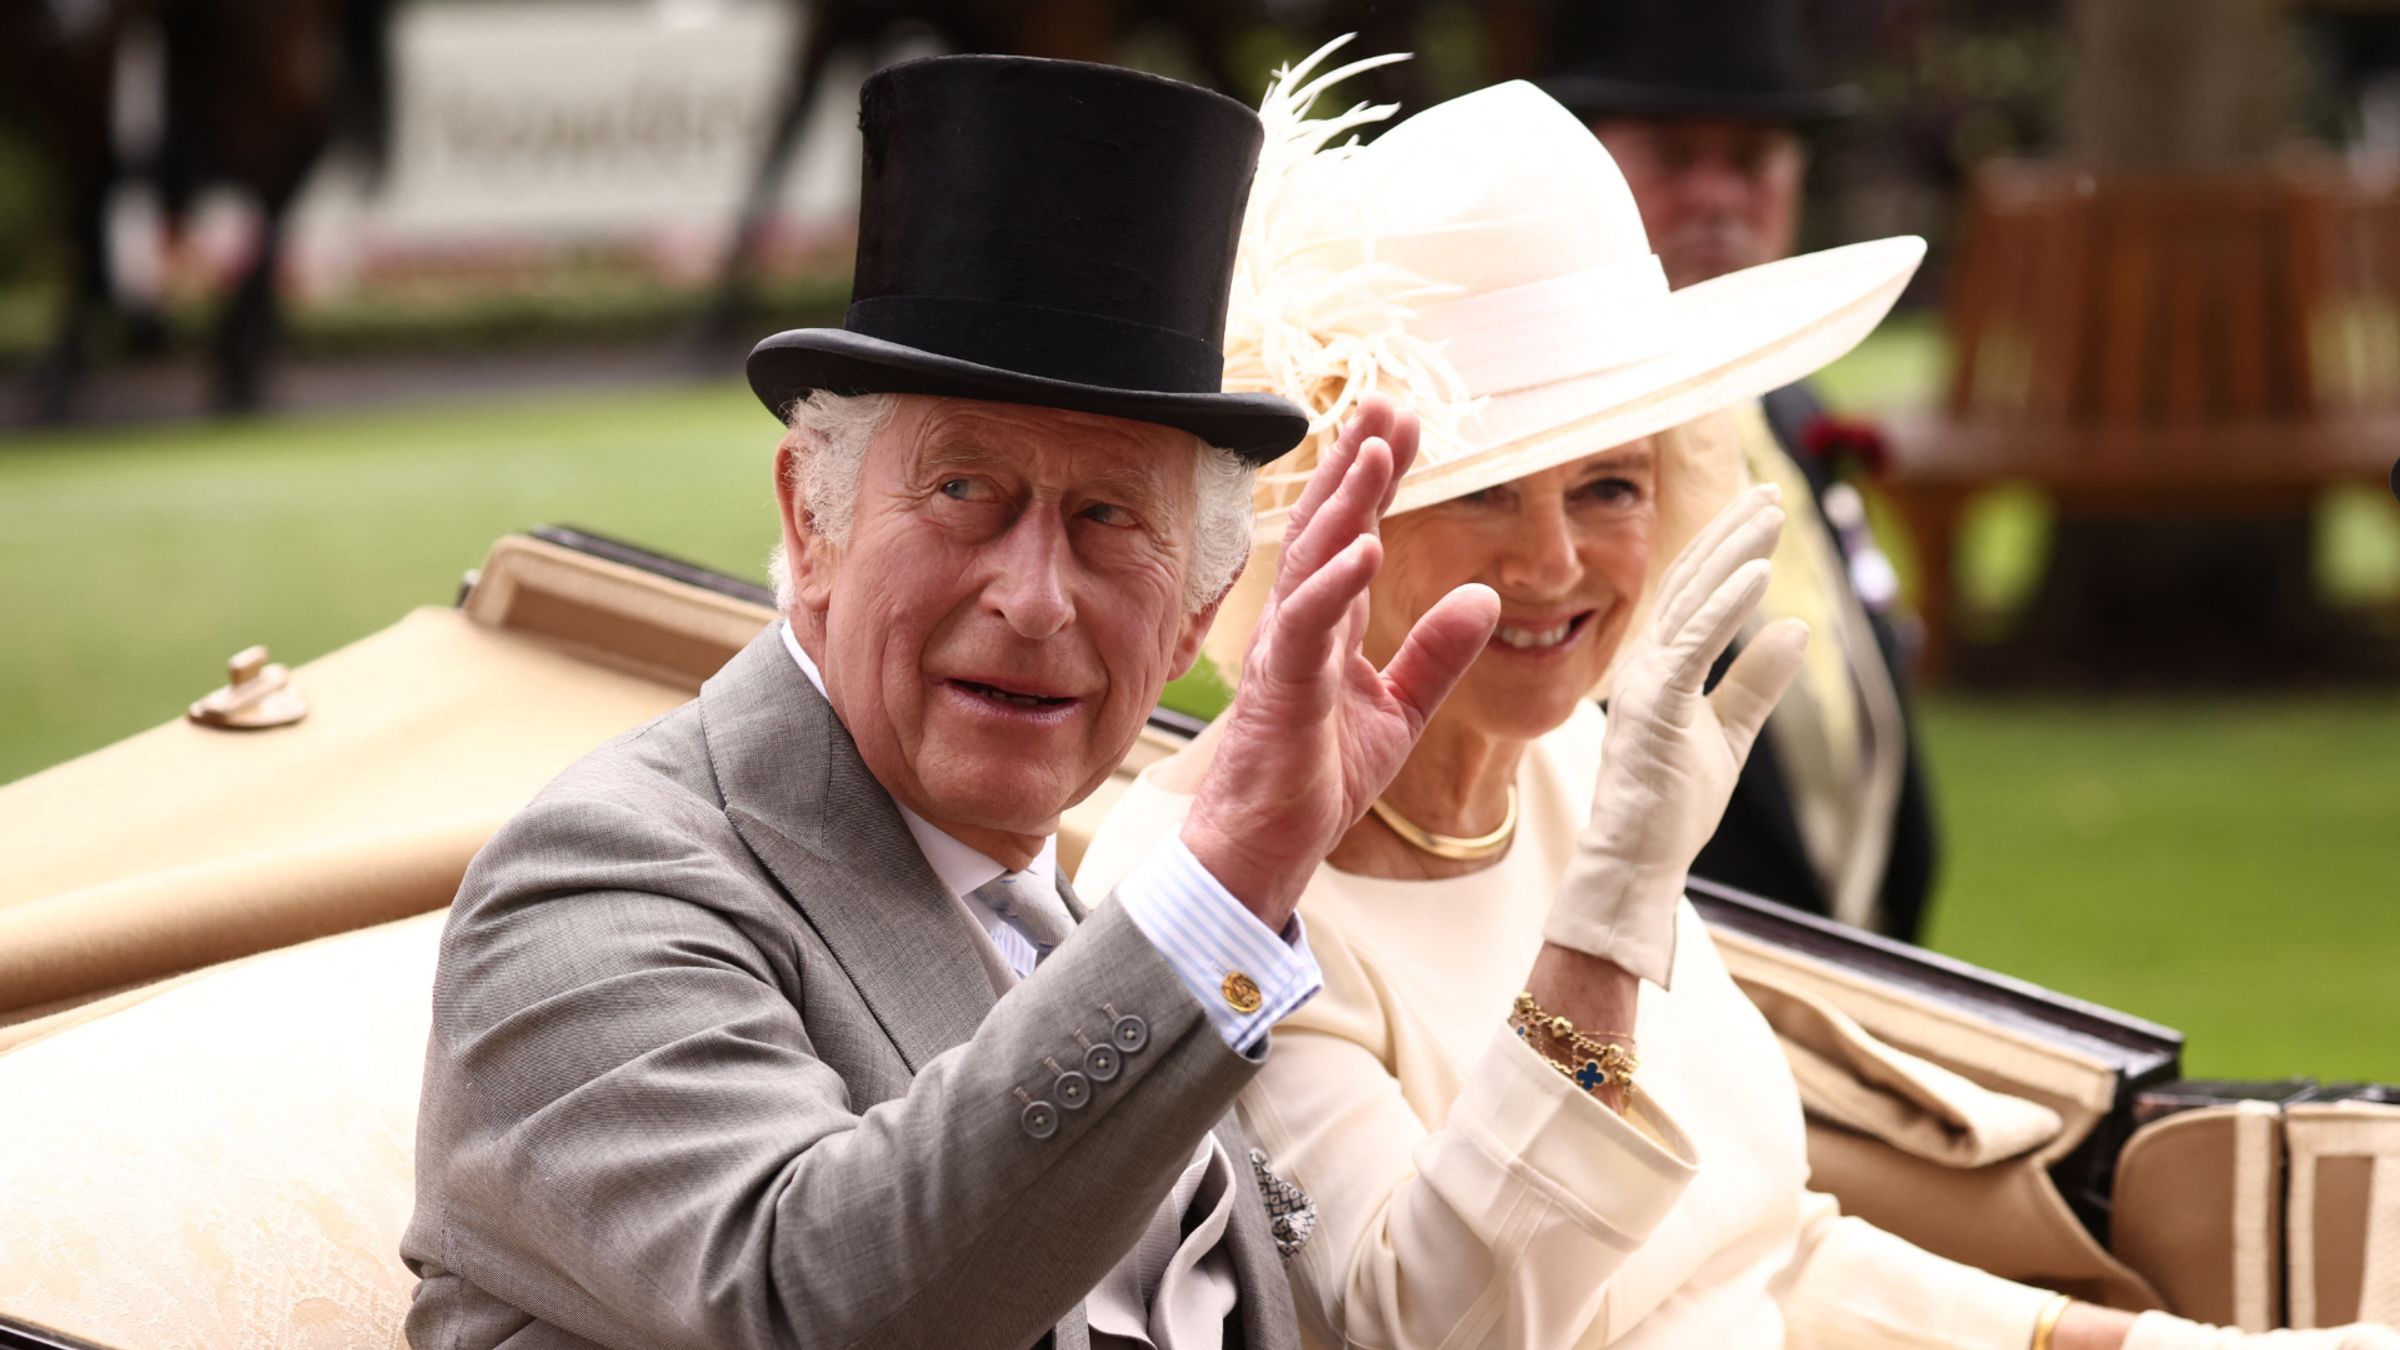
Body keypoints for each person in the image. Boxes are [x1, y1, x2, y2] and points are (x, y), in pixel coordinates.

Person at [1078, 66, 2399, 1350]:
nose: (1554, 565)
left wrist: (2148, 1341)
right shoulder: (1209, 893)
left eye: (1610, 486)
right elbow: (1428, 1325)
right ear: (1333, 522)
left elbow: (1766, 1250)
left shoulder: (1578, 766)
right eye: (1485, 490)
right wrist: (1604, 922)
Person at [400, 54, 1507, 1350]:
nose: (1036, 597)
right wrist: (1228, 880)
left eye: (1107, 519)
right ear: (811, 526)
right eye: (964, 494)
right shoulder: (603, 880)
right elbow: (822, 1302)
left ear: (1196, 618)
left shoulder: (1071, 920)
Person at [1541, 0, 1939, 941]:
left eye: (1753, 159)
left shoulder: (1795, 409)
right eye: (1676, 158)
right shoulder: (1545, 449)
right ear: (1589, 172)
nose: (1718, 196)